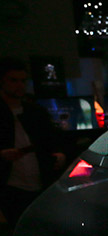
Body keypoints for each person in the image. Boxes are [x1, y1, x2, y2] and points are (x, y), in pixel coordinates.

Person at [1, 57, 66, 225]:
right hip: (11, 188)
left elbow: (51, 138)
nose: (19, 85)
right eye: (13, 80)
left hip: (40, 182)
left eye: (22, 81)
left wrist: (58, 154)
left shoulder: (35, 112)